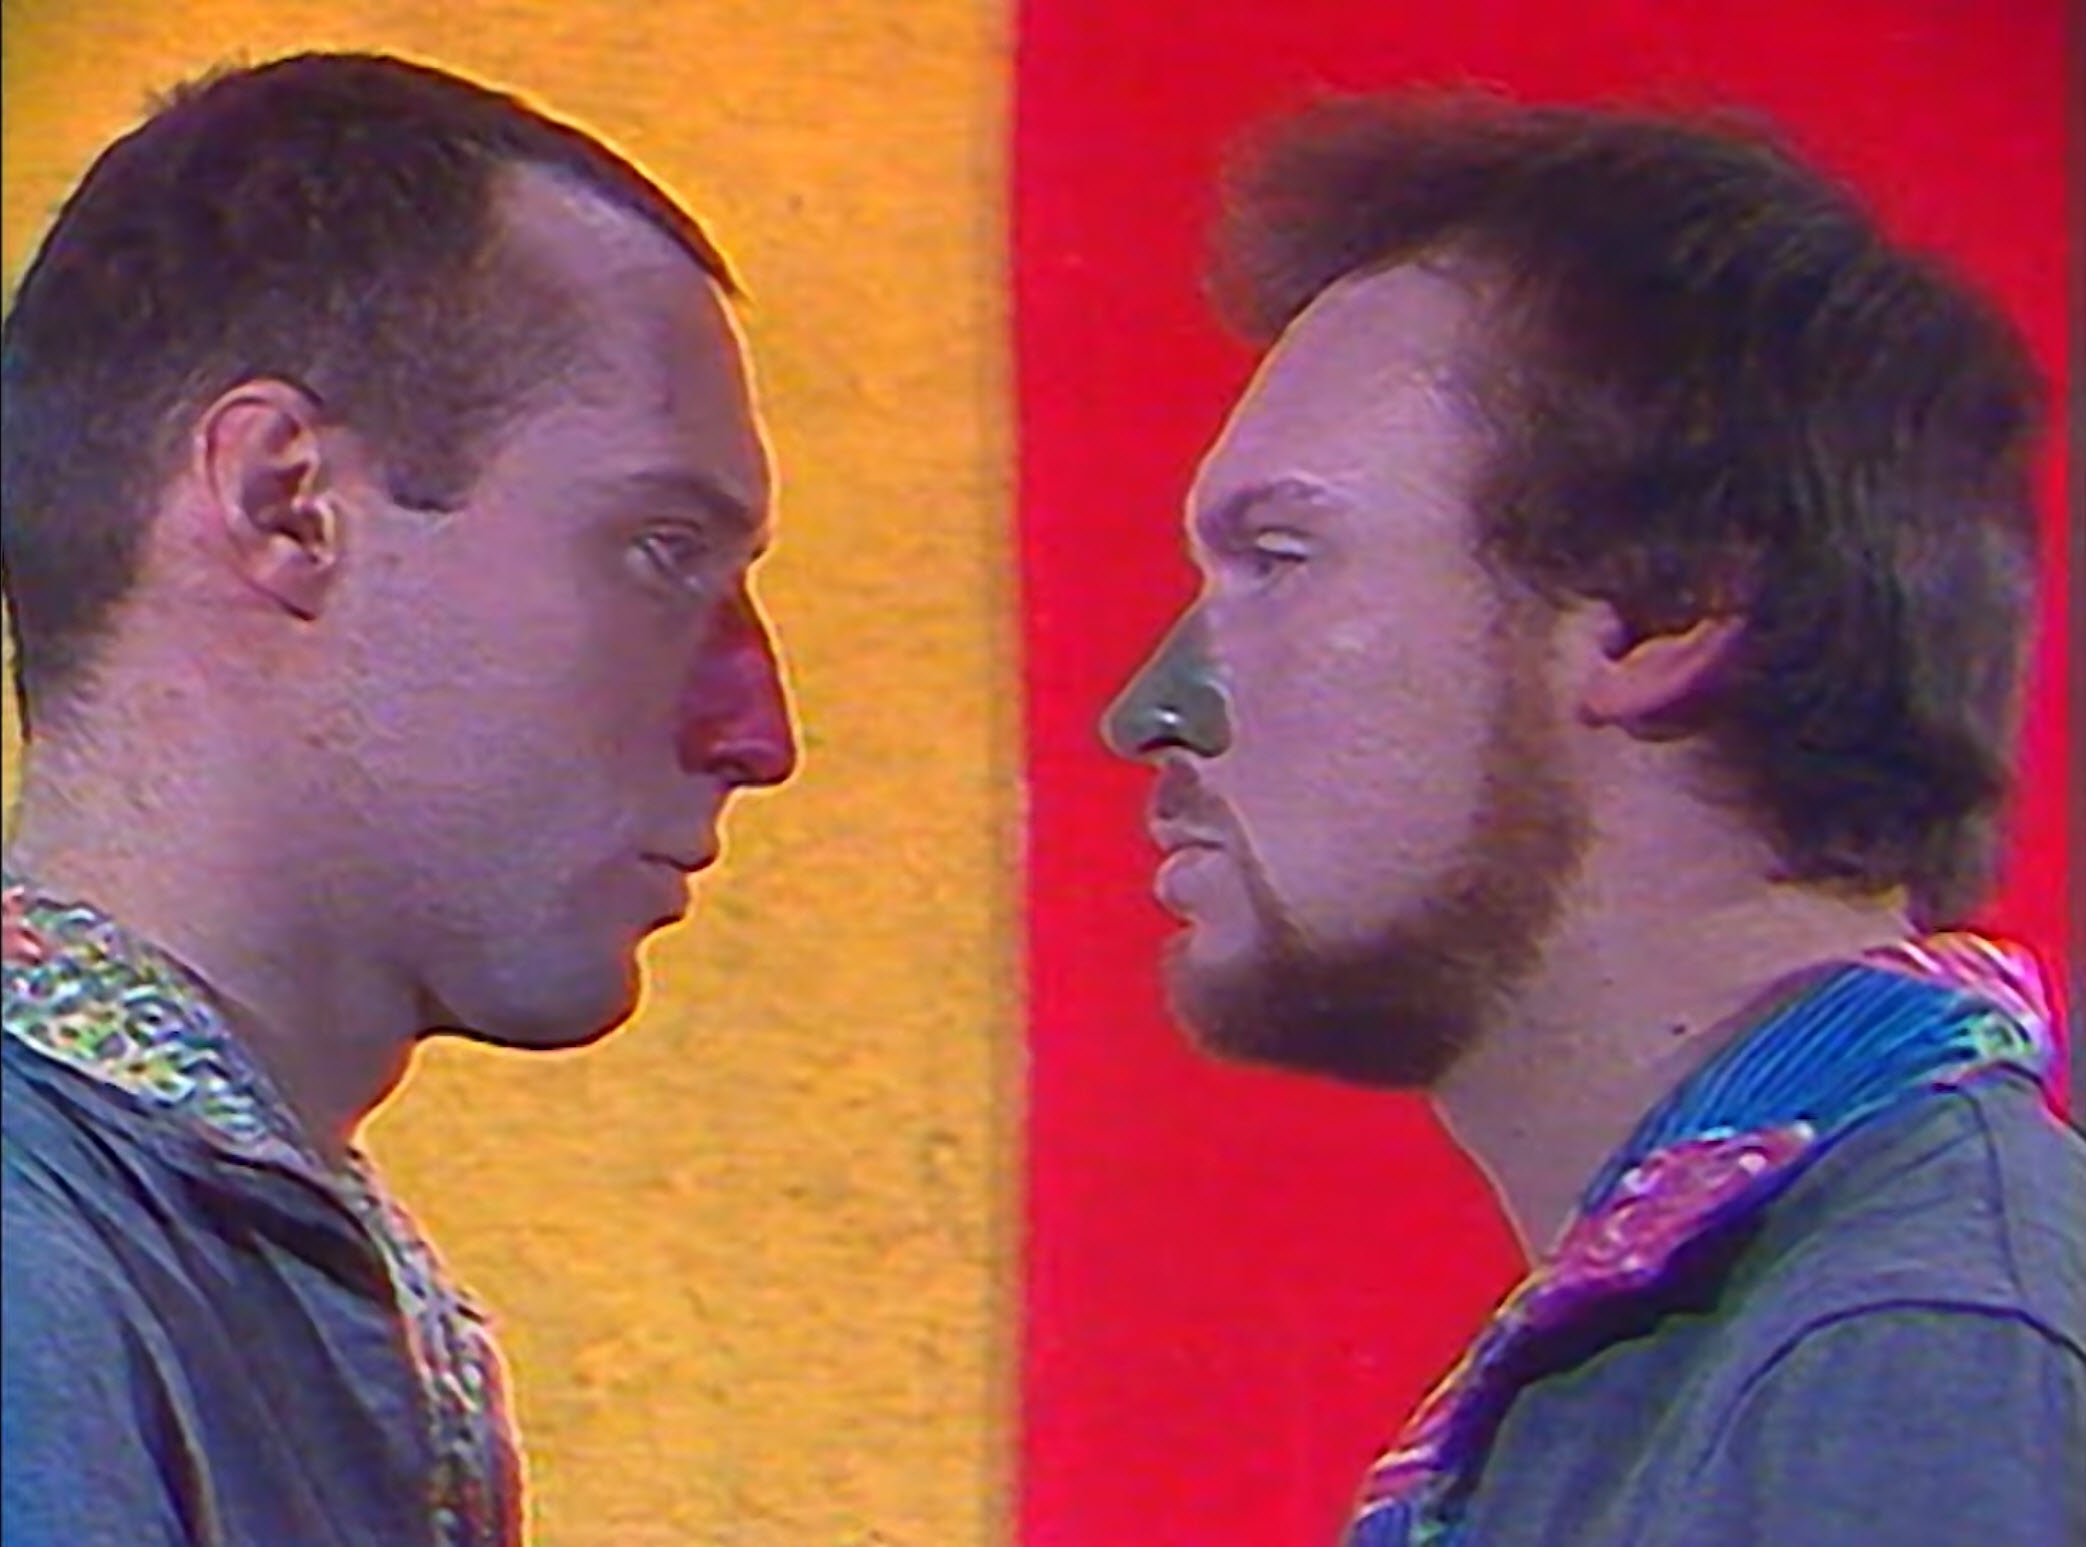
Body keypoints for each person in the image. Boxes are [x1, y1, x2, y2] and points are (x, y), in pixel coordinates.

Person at [1103, 91, 2082, 1547]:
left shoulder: (1911, 1363)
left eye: (1281, 558)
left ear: (1655, 613)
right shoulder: (1778, 1348)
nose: (1147, 708)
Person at [0, 51, 796, 1547]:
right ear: (285, 504)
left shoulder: (211, 1265)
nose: (759, 732)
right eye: (662, 550)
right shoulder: (40, 1275)